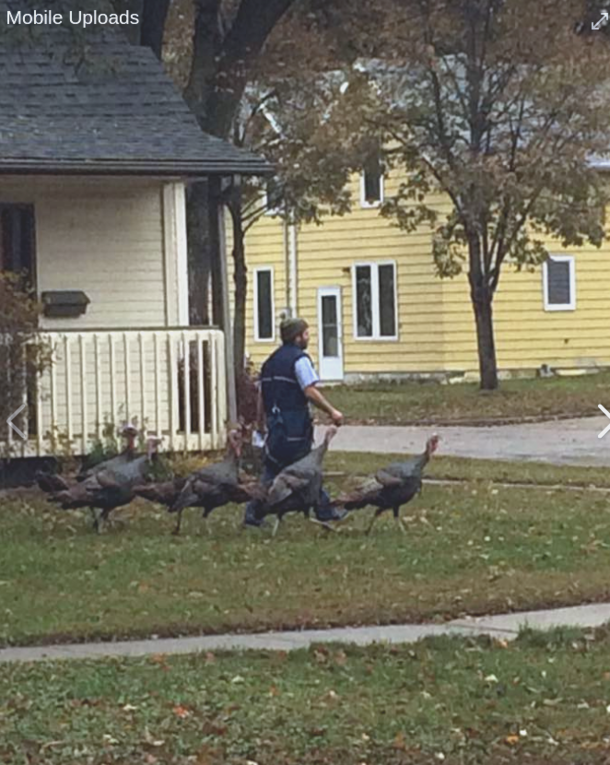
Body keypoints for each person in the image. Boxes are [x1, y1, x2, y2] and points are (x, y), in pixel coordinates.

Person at [244, 317, 345, 527]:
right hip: (295, 426)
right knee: (308, 468)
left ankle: (252, 514)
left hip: (275, 425)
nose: (308, 338)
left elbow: (262, 395)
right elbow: (309, 390)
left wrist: (260, 422)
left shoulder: (270, 362)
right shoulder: (300, 360)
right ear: (297, 337)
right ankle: (324, 510)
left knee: (272, 469)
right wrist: (332, 411)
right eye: (306, 334)